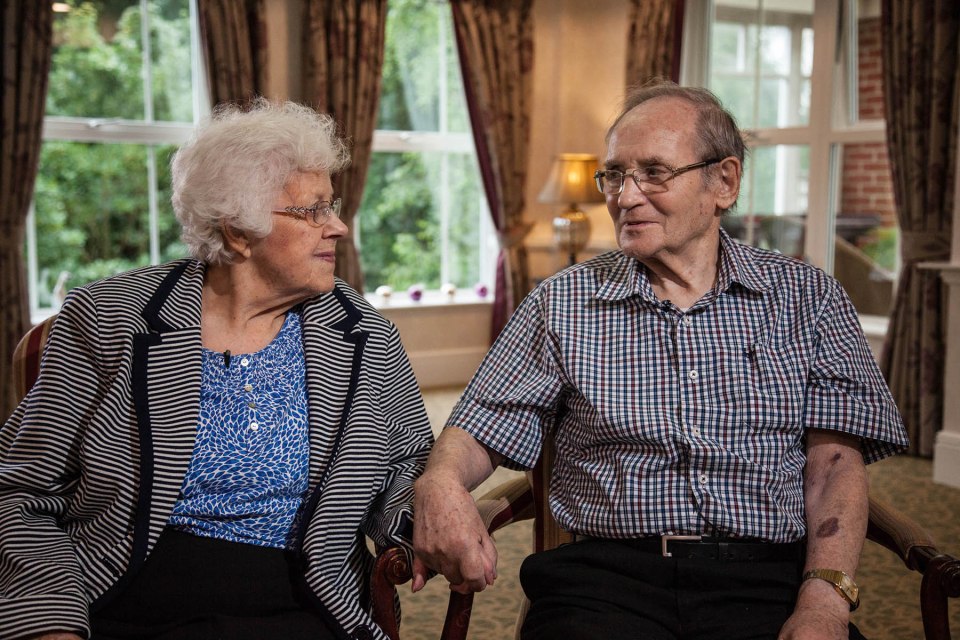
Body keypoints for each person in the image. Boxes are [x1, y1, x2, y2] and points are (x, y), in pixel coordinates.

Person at [411, 81, 909, 640]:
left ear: (723, 181)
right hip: (602, 581)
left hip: (765, 579)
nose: (625, 196)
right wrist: (440, 481)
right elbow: (481, 425)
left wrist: (824, 600)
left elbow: (835, 469)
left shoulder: (807, 298)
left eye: (654, 172)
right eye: (615, 174)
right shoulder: (562, 302)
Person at [0, 98, 434, 640]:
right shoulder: (109, 319)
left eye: (333, 205)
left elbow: (408, 462)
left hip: (302, 602)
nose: (339, 227)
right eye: (313, 210)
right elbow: (20, 492)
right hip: (126, 594)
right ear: (236, 230)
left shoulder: (363, 334)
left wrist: (430, 518)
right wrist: (49, 623)